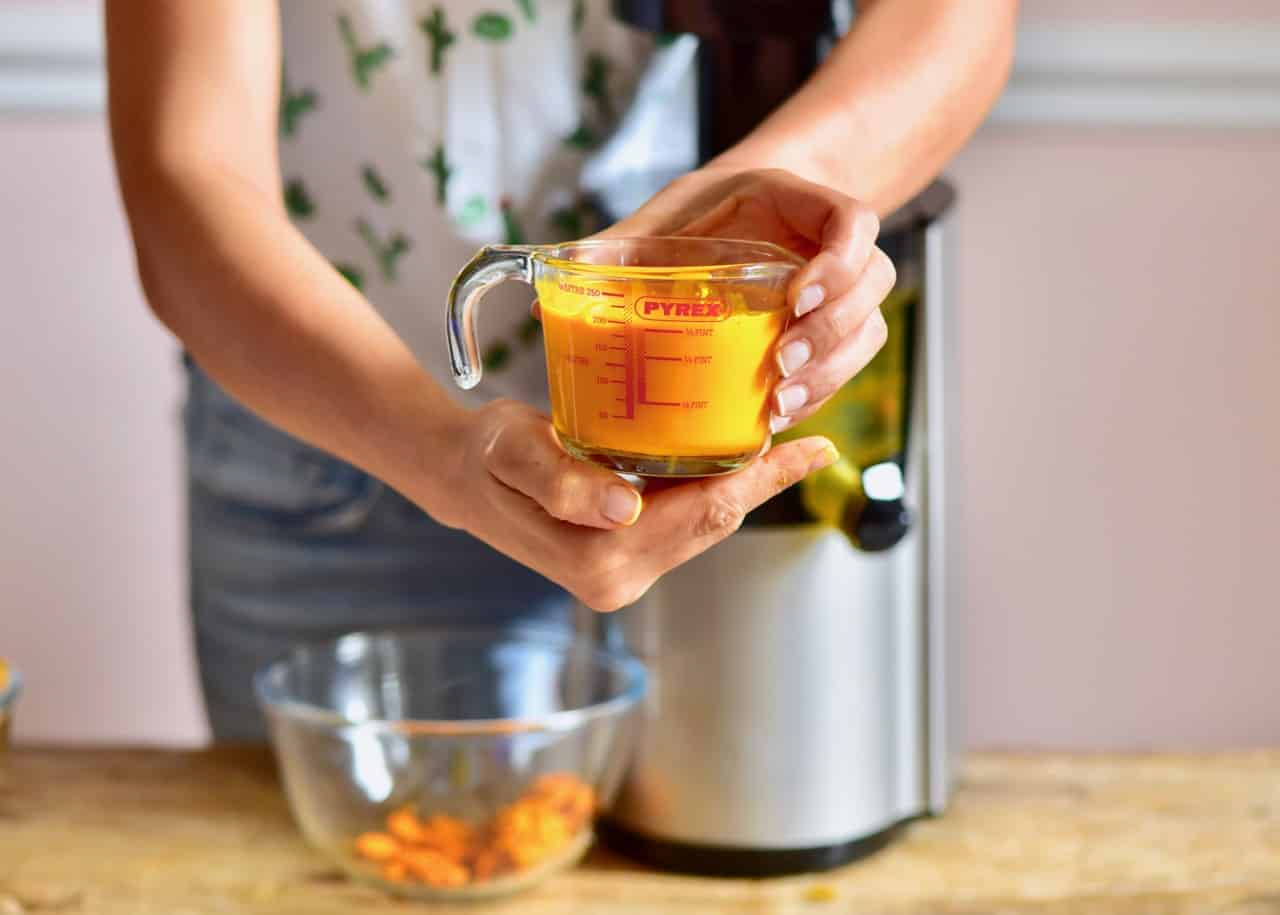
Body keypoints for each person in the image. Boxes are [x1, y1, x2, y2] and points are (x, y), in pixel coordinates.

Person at [104, 1, 1017, 739]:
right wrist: (436, 455)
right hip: (338, 450)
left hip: (720, 428)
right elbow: (188, 167)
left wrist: (761, 213)